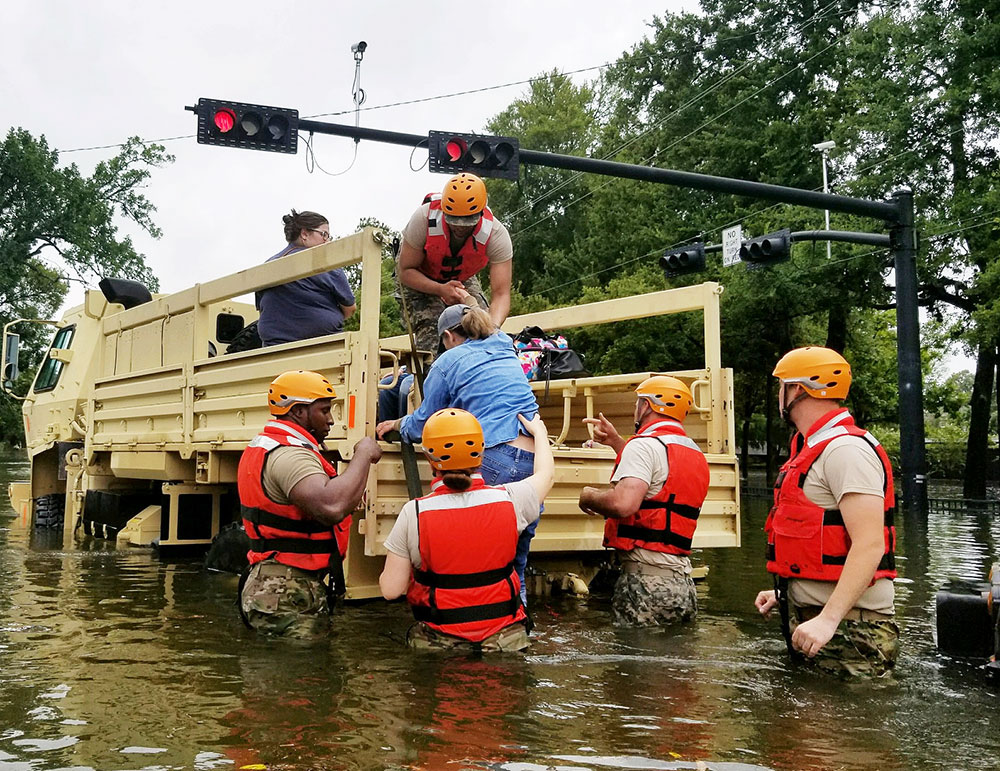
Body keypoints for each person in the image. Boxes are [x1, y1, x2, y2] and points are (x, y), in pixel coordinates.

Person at [375, 303, 541, 605]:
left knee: (471, 558)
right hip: (532, 456)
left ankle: (464, 628)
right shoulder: (505, 345)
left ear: (449, 336)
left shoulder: (448, 361)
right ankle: (516, 627)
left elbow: (428, 421)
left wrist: (397, 424)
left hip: (493, 453)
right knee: (514, 564)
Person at [754, 346, 899, 677]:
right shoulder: (817, 447)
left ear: (798, 389)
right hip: (823, 621)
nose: (779, 394)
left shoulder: (846, 451)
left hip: (850, 630)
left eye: (782, 385)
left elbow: (870, 544)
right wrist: (788, 589)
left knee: (838, 728)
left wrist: (829, 618)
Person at [378, 408, 554, 651]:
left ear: (430, 459)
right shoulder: (511, 500)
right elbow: (546, 475)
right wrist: (539, 433)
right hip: (505, 643)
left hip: (441, 646)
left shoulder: (414, 513)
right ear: (481, 453)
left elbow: (390, 590)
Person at [237, 370, 382, 639]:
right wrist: (363, 453)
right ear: (299, 412)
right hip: (284, 589)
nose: (331, 420)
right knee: (298, 676)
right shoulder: (290, 455)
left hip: (279, 583)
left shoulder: (276, 445)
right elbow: (331, 506)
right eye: (324, 411)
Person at [578, 376, 709, 627]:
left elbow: (623, 504)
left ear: (647, 406)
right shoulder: (693, 452)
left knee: (637, 662)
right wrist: (618, 443)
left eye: (637, 403)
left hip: (646, 583)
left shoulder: (644, 446)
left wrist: (588, 496)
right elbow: (659, 482)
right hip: (681, 584)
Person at [396, 173, 513, 354]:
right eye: (453, 221)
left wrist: (492, 329)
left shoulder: (497, 235)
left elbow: (501, 294)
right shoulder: (423, 219)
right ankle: (430, 377)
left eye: (467, 222)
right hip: (417, 276)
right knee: (434, 331)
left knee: (479, 325)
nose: (460, 227)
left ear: (480, 213)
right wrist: (440, 289)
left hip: (461, 277)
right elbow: (405, 271)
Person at [257, 210, 357, 347]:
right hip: (324, 347)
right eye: (324, 234)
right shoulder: (325, 264)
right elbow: (350, 308)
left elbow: (262, 308)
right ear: (304, 234)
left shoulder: (266, 267)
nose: (327, 241)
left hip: (273, 349)